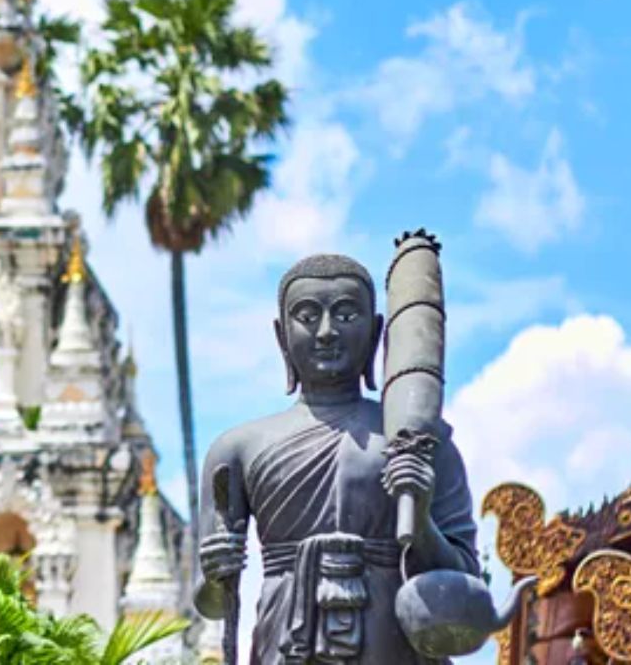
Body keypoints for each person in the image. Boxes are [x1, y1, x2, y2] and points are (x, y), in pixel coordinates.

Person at [196, 254, 479, 663]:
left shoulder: (420, 439)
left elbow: (464, 582)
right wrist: (215, 575)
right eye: (308, 317)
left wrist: (417, 521)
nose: (327, 332)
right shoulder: (237, 450)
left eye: (346, 316)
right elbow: (213, 604)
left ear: (377, 331)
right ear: (281, 336)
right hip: (286, 645)